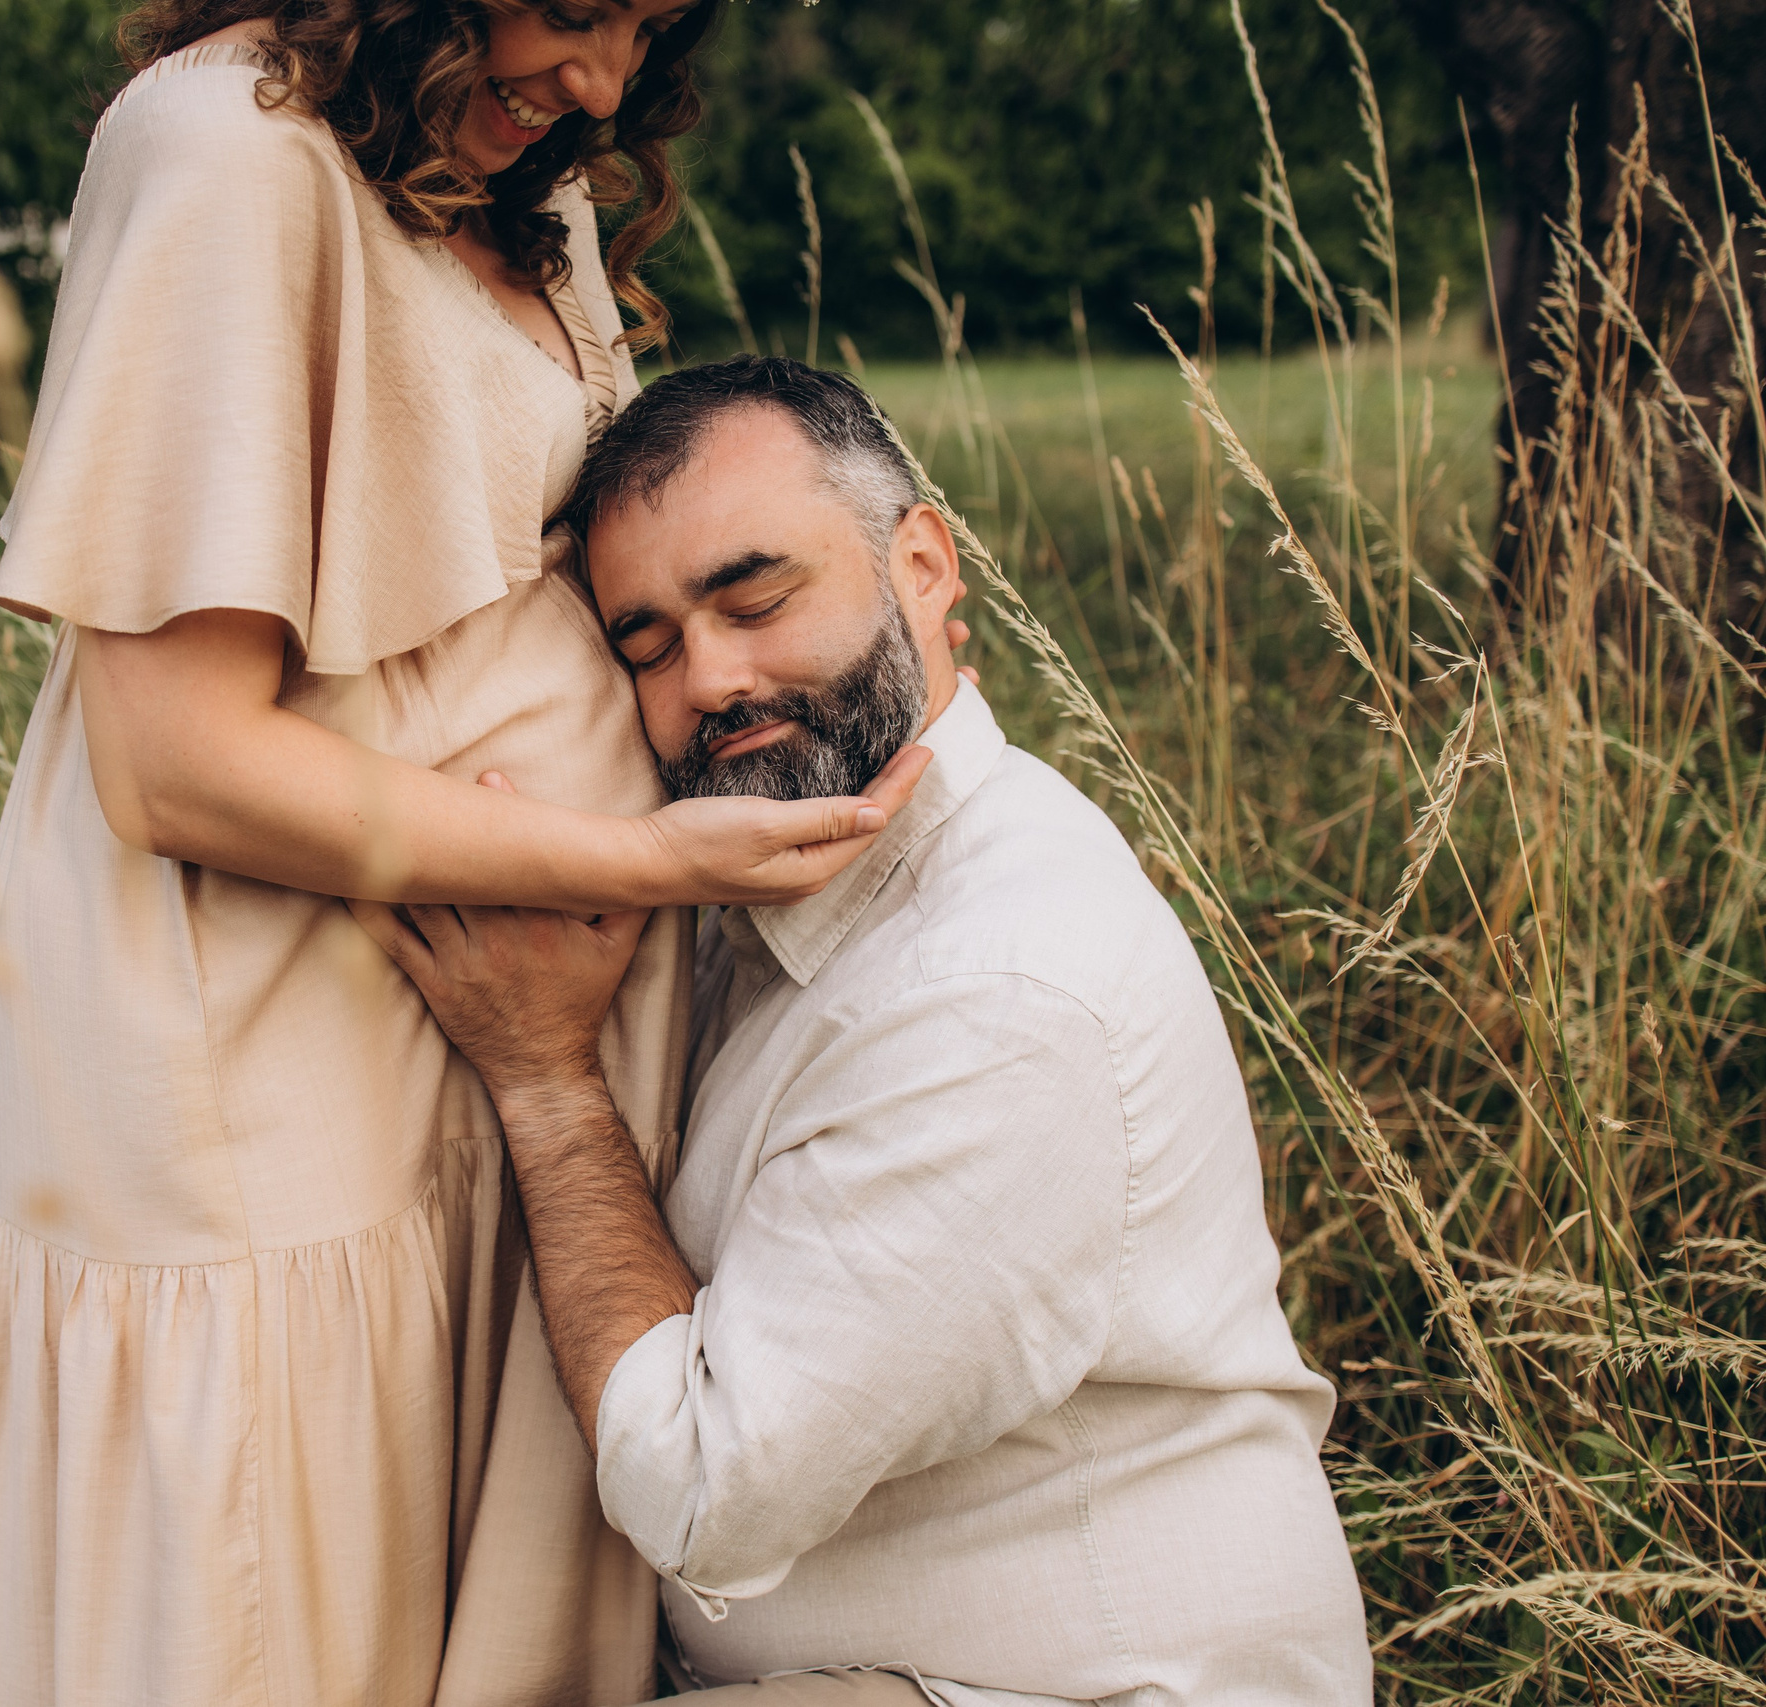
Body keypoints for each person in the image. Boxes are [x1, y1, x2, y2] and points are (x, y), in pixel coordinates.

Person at [0, 10, 973, 1706]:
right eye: (577, 9)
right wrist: (637, 862)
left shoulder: (526, 180)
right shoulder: (228, 155)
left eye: (648, 24)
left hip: (477, 1018)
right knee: (282, 1608)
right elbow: (170, 761)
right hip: (282, 1030)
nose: (605, 85)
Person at [355, 358, 1376, 1704]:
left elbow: (704, 1488)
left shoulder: (1001, 995)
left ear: (925, 567)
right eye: (647, 647)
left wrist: (548, 1084)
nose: (711, 680)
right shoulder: (770, 876)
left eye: (756, 599)